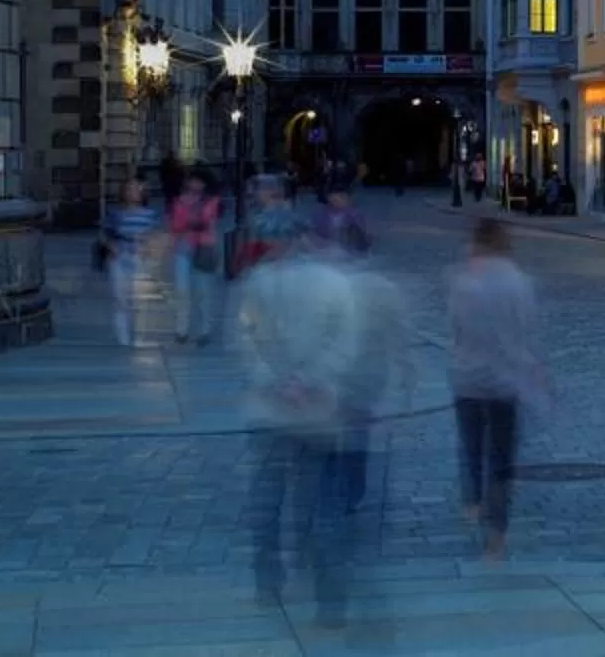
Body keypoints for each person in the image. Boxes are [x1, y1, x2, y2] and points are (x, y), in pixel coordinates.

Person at [238, 219, 398, 618]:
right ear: (306, 240)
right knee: (318, 503)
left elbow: (246, 339)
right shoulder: (334, 283)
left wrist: (275, 381)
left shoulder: (257, 283)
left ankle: (268, 582)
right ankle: (327, 599)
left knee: (267, 500)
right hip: (317, 410)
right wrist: (311, 380)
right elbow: (345, 344)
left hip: (269, 409)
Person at [445, 213, 548, 561]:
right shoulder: (518, 282)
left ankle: (473, 503)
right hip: (505, 381)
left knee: (472, 448)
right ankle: (496, 537)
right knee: (501, 460)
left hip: (468, 379)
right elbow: (526, 332)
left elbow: (456, 329)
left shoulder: (463, 281)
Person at [167, 168, 224, 344]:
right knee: (181, 291)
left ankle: (204, 330)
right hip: (183, 249)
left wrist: (190, 220)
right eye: (192, 180)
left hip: (203, 249)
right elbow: (175, 226)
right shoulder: (178, 202)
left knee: (203, 291)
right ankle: (181, 329)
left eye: (199, 181)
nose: (194, 184)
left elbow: (206, 222)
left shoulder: (212, 201)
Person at [103, 175, 158, 348]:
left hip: (140, 259)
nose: (132, 193)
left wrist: (149, 248)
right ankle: (122, 336)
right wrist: (111, 246)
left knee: (139, 299)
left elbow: (154, 235)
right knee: (120, 297)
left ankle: (138, 332)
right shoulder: (115, 214)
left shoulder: (150, 214)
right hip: (120, 257)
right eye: (129, 189)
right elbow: (105, 234)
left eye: (136, 189)